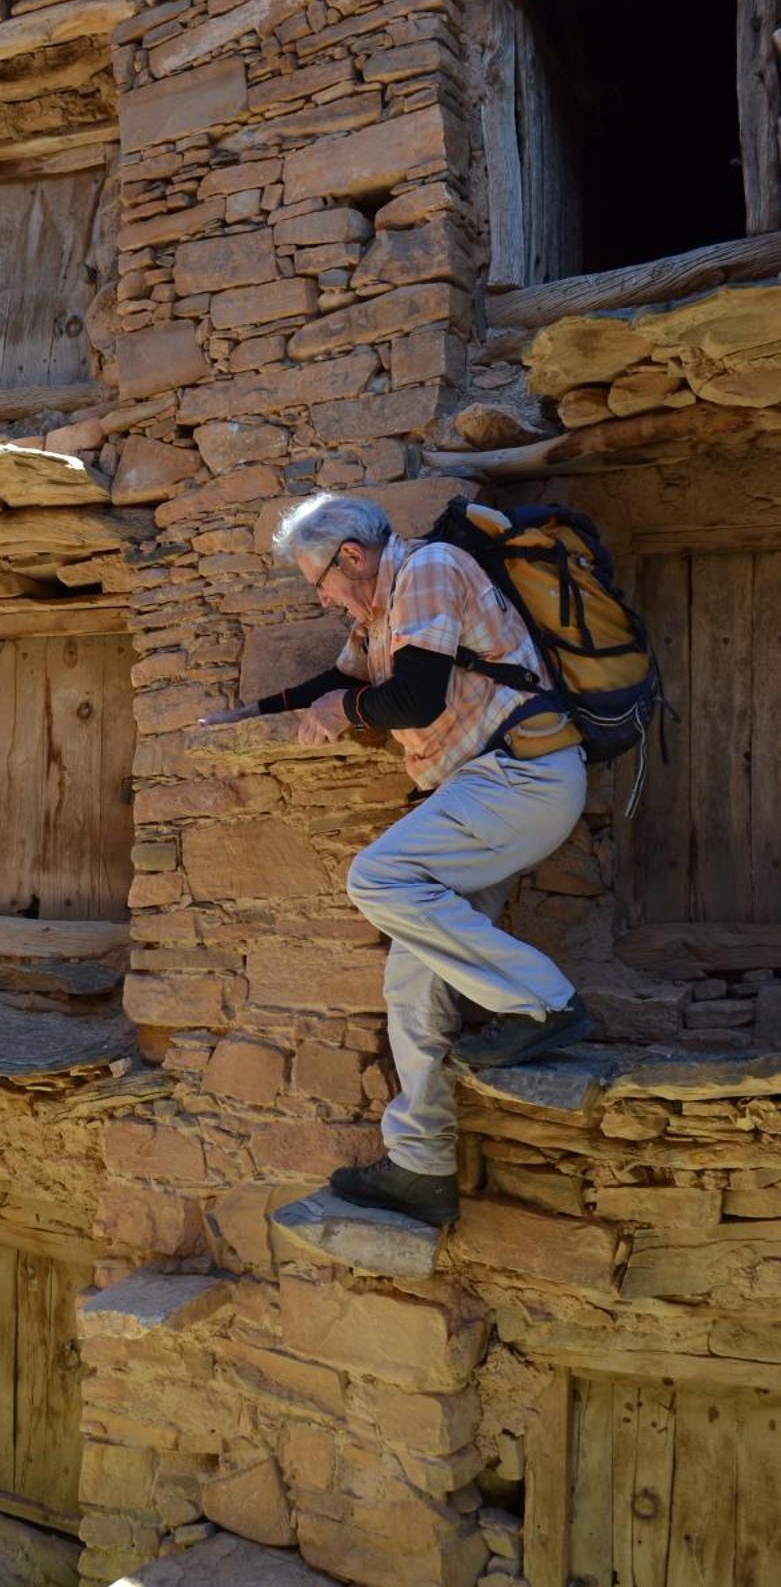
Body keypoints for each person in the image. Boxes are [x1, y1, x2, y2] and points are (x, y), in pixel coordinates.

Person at [202, 494, 590, 1227]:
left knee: (377, 877)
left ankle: (542, 1001)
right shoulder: (377, 613)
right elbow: (341, 684)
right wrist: (253, 713)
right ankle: (420, 1164)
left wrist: (345, 717)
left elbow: (411, 698)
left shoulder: (430, 569)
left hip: (522, 776)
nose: (318, 595)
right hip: (482, 789)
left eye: (316, 579)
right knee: (412, 982)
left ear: (350, 554)